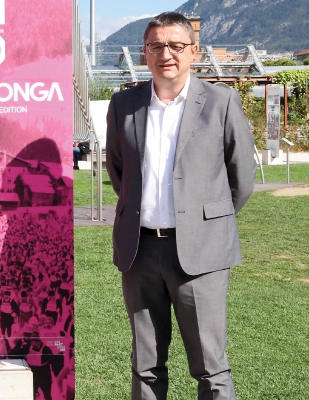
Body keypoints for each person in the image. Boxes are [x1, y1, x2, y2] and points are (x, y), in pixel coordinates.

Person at [105, 12, 256, 400]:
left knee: (210, 367)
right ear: (145, 52)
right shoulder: (124, 104)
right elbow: (119, 172)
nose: (166, 54)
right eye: (156, 46)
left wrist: (203, 221)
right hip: (140, 252)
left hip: (200, 251)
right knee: (146, 366)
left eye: (175, 45)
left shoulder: (221, 101)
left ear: (194, 51)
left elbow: (240, 178)